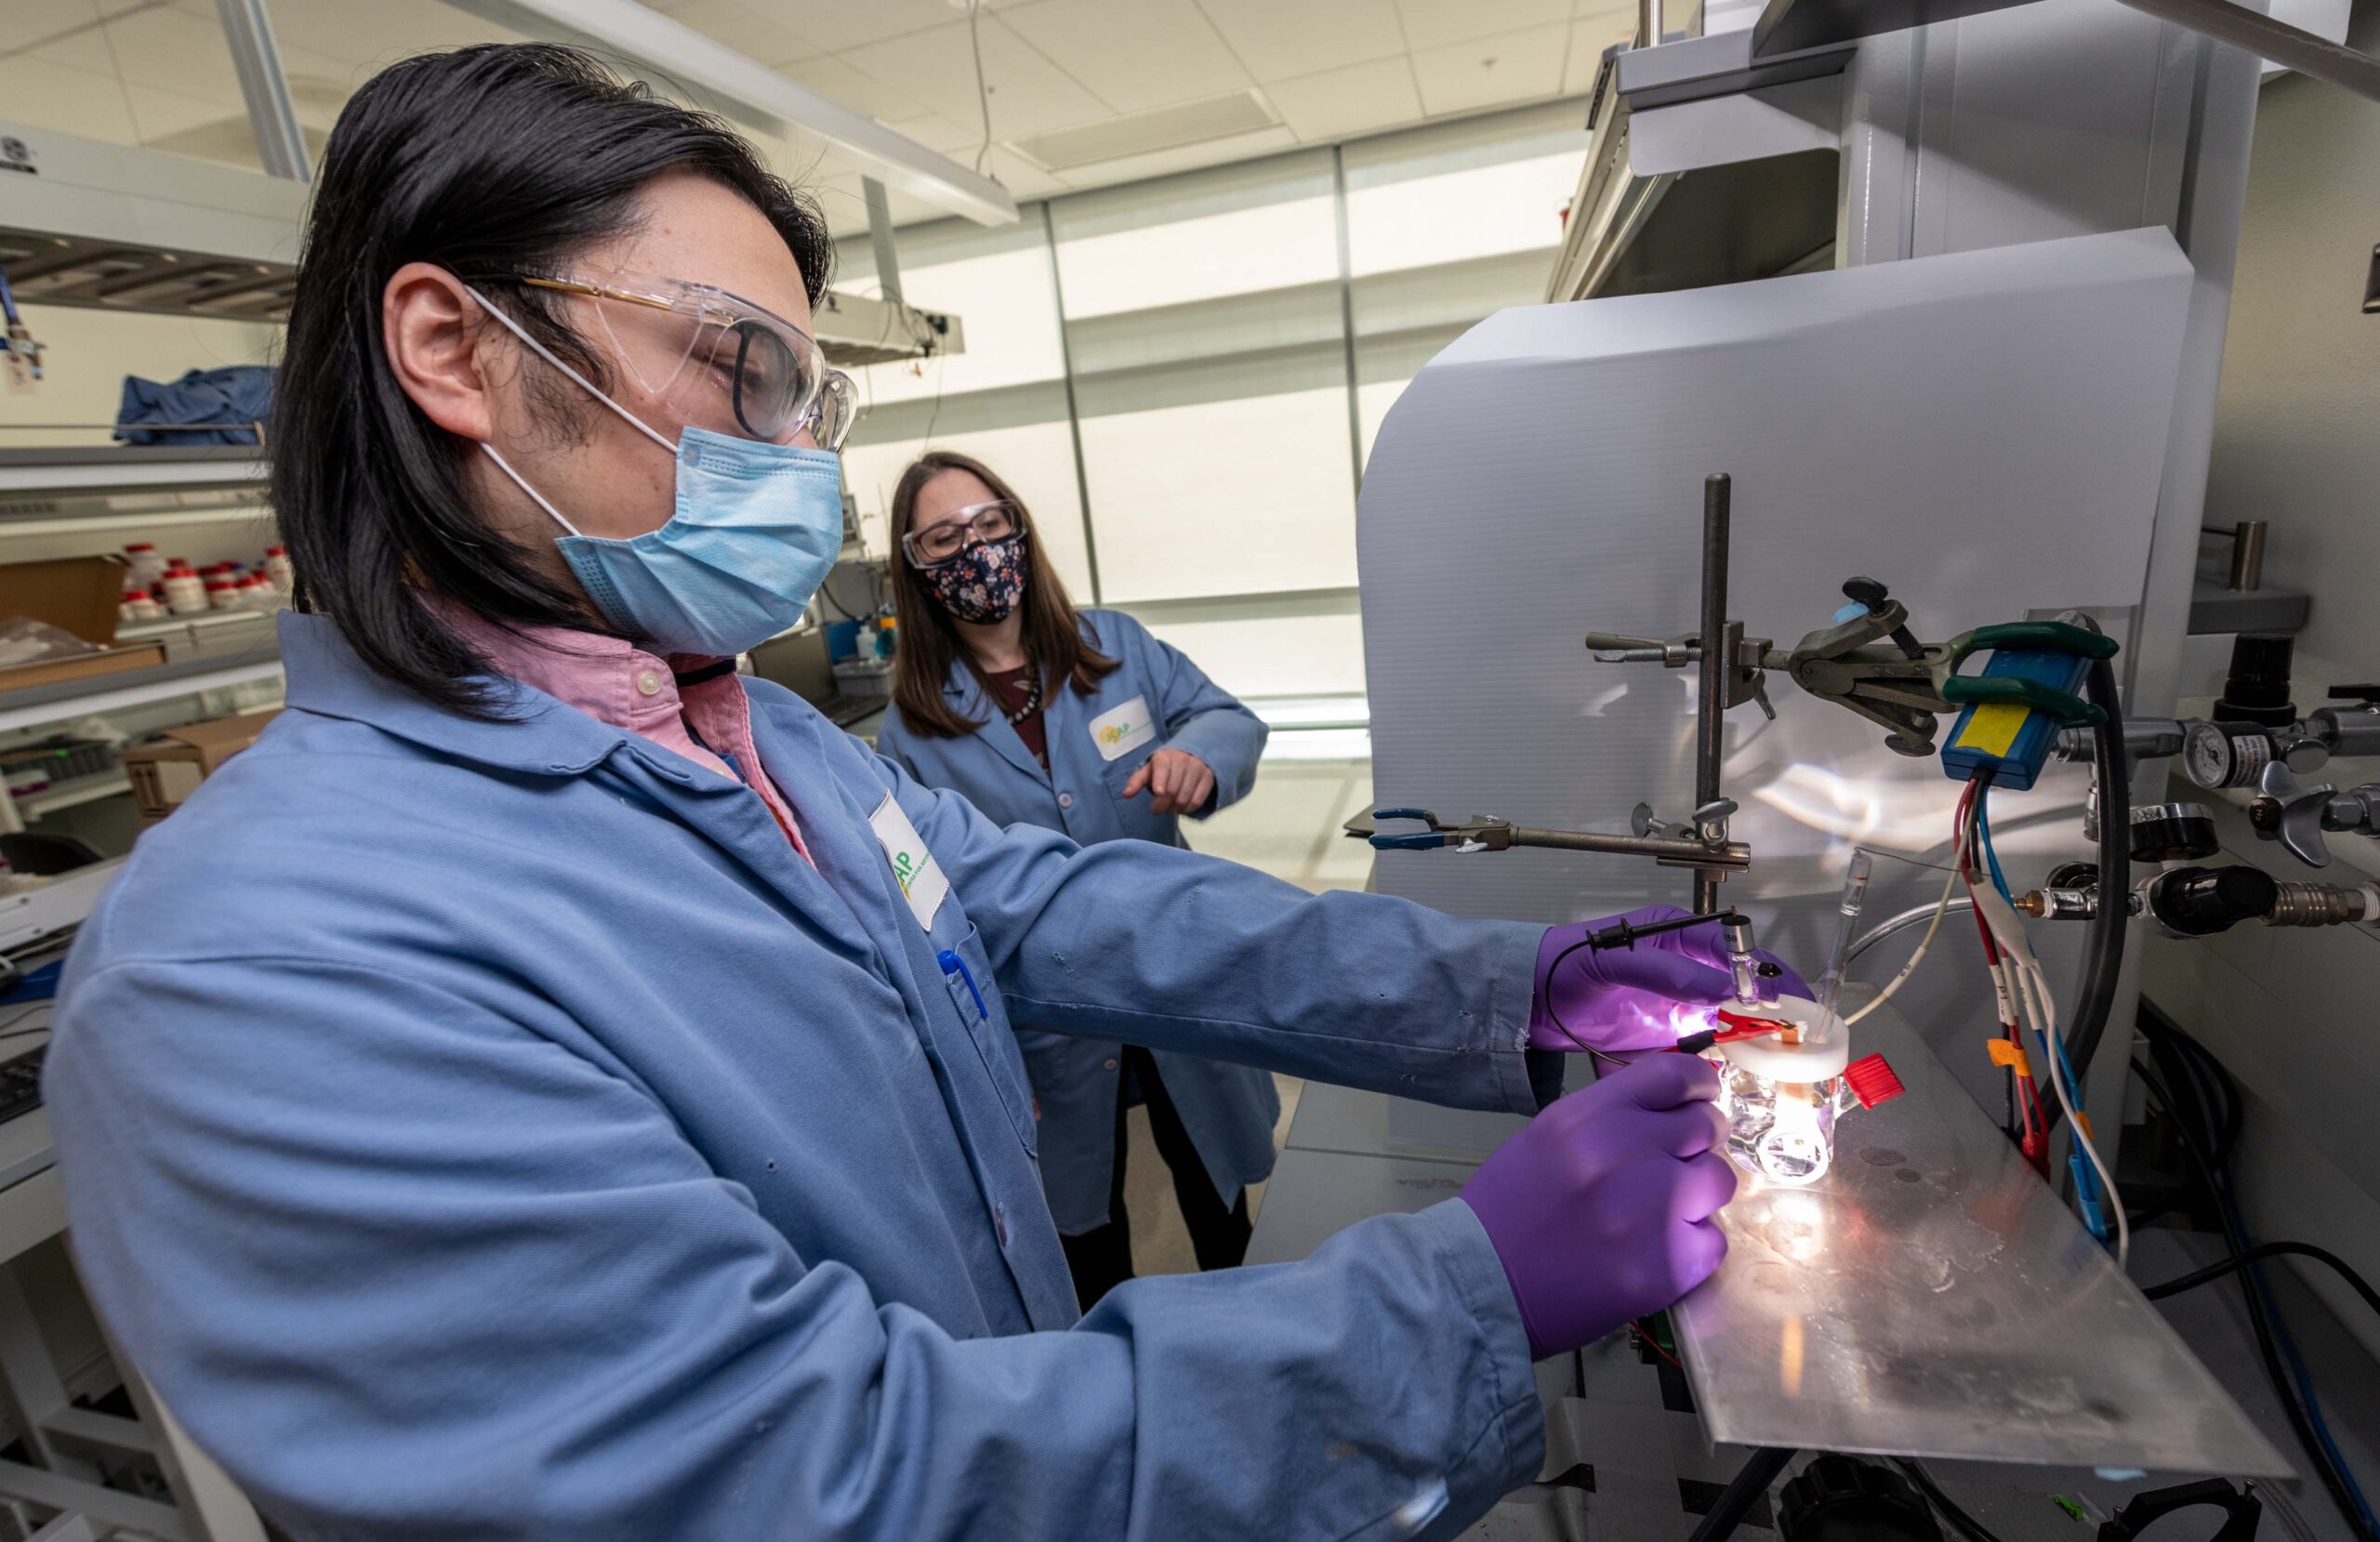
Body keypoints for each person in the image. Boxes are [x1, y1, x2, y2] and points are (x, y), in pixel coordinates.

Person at [45, 45, 1801, 1541]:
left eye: (810, 401)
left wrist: (1510, 994)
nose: (799, 461)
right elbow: (826, 1479)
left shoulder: (765, 736)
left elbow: (1051, 903)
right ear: (452, 346)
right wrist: (1461, 1304)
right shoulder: (266, 969)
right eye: (739, 367)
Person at [874, 450, 1280, 1309]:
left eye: (988, 526)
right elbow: (914, 888)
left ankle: (1253, 1352)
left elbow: (1226, 718)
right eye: (944, 538)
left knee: (1219, 1205)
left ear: (1017, 528)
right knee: (1086, 1238)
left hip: (1175, 972)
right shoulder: (912, 726)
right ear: (916, 569)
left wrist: (1199, 759)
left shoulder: (1115, 646)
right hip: (1047, 1012)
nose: (975, 551)